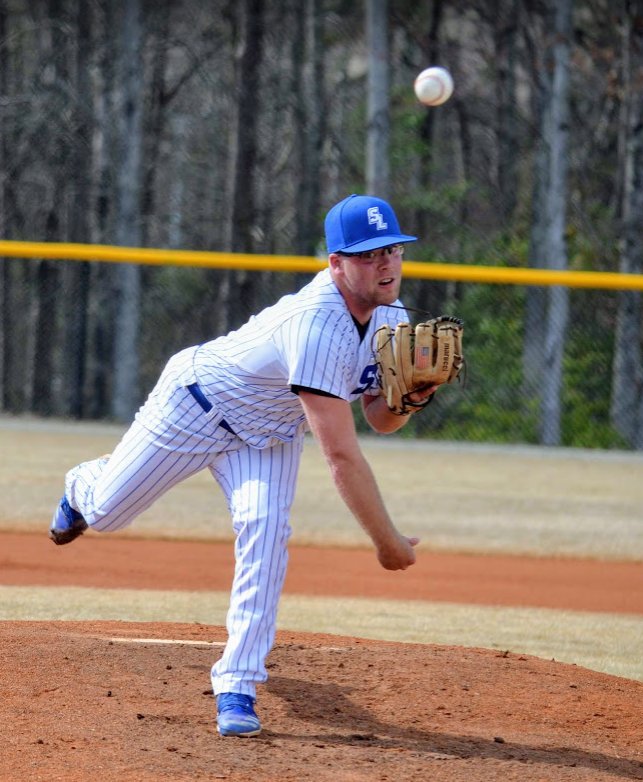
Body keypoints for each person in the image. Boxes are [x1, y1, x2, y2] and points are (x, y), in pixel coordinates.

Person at [49, 193, 437, 738]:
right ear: (336, 263)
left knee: (266, 527)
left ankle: (237, 683)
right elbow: (341, 455)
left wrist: (413, 396)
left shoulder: (391, 319)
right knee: (108, 511)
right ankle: (80, 484)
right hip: (196, 404)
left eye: (392, 249)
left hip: (270, 435)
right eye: (369, 253)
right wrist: (387, 540)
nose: (386, 262)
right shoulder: (316, 324)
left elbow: (378, 417)